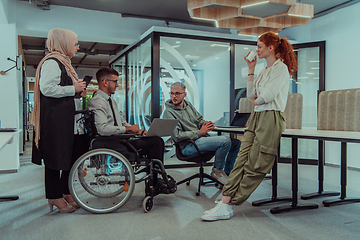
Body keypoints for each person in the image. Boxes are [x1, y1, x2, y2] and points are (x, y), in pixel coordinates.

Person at [201, 31, 298, 221]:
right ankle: (225, 202)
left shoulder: (281, 69)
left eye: (259, 46)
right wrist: (251, 68)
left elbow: (264, 97)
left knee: (257, 164)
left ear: (271, 47)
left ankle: (228, 202)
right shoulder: (263, 71)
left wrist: (258, 99)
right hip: (257, 117)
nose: (257, 50)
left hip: (271, 117)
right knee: (241, 160)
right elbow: (251, 95)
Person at [31, 28, 89, 213]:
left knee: (68, 156)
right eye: (75, 43)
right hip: (54, 121)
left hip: (65, 120)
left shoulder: (64, 63)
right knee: (55, 159)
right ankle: (54, 196)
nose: (77, 47)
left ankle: (65, 191)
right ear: (63, 43)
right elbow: (47, 89)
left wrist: (78, 91)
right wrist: (73, 88)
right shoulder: (52, 63)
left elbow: (63, 90)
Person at [87, 67, 165, 187]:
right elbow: (102, 129)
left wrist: (139, 131)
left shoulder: (110, 101)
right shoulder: (97, 101)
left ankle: (155, 179)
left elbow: (121, 121)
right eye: (115, 81)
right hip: (111, 143)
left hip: (119, 140)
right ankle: (154, 182)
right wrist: (128, 129)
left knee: (156, 141)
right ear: (105, 82)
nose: (117, 85)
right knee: (156, 143)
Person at [163, 82, 241, 185]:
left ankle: (226, 175)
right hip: (187, 146)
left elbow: (199, 120)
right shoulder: (168, 112)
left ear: (184, 94)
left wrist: (207, 124)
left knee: (236, 143)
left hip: (200, 140)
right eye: (172, 93)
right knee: (225, 141)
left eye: (177, 93)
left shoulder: (188, 105)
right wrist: (200, 132)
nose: (174, 96)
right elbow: (177, 136)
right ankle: (217, 171)